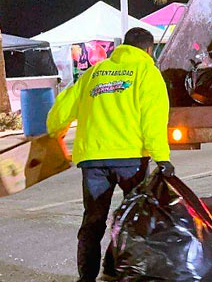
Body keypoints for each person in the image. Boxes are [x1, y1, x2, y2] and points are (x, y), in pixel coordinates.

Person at [46, 27, 175, 282]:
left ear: (123, 46)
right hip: (131, 160)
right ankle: (129, 273)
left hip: (93, 160)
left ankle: (87, 278)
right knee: (137, 219)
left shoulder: (93, 73)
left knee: (93, 222)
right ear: (148, 50)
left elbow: (60, 113)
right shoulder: (146, 72)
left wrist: (55, 133)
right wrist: (163, 158)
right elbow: (153, 121)